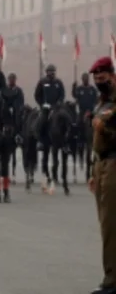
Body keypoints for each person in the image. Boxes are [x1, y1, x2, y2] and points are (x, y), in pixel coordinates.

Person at [88, 56, 116, 294]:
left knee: (110, 225)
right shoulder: (101, 102)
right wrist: (92, 171)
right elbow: (95, 142)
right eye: (96, 78)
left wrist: (103, 127)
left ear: (112, 76)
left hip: (114, 165)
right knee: (105, 223)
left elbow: (105, 133)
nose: (99, 81)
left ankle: (111, 282)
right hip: (101, 166)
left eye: (103, 77)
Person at [34, 64, 65, 150]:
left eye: (53, 71)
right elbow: (37, 95)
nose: (52, 73)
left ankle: (65, 142)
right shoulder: (42, 82)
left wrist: (59, 102)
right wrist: (42, 104)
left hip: (56, 107)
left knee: (65, 119)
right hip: (46, 107)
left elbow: (62, 94)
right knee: (42, 121)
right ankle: (40, 141)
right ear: (47, 72)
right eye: (50, 71)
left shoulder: (59, 82)